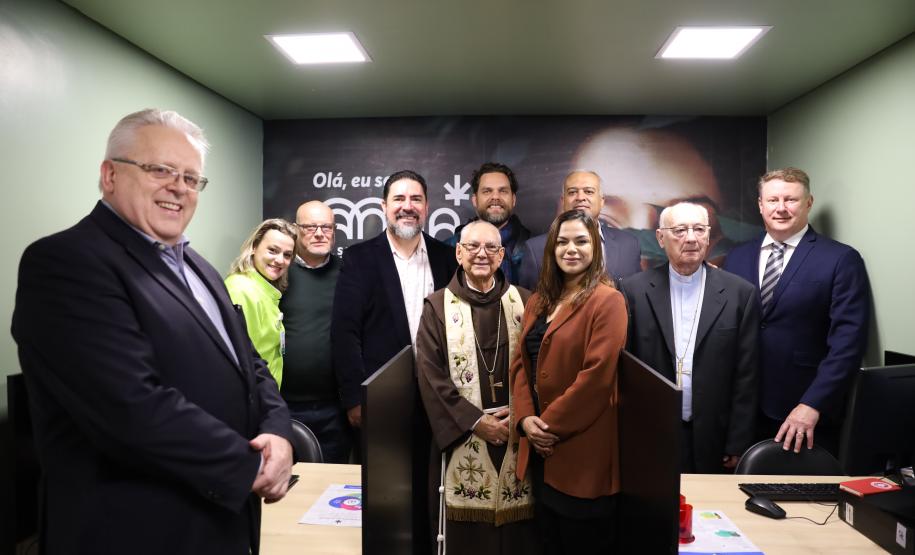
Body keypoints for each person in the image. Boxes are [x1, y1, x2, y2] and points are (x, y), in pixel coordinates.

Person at [11, 109, 293, 555]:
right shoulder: (66, 263)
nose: (178, 187)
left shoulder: (199, 268)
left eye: (191, 177)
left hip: (222, 523)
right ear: (110, 175)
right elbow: (130, 407)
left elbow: (250, 364)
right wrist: (252, 465)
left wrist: (278, 431)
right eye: (160, 169)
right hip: (135, 532)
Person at [331, 169, 458, 554]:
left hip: (437, 396)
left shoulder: (445, 257)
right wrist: (355, 399)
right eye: (399, 199)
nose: (407, 207)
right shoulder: (359, 258)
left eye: (415, 199)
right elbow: (345, 332)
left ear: (427, 207)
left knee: (430, 486)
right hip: (382, 400)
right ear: (384, 206)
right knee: (386, 494)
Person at [724, 167, 870, 455]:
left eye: (790, 199)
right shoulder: (737, 257)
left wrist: (812, 403)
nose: (781, 208)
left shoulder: (841, 259)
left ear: (809, 203)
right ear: (760, 205)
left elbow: (848, 344)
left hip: (802, 412)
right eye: (772, 200)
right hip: (742, 409)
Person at [416, 220, 538, 555]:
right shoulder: (437, 307)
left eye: (490, 248)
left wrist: (522, 414)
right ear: (459, 253)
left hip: (516, 431)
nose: (481, 254)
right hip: (462, 434)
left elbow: (540, 370)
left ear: (501, 255)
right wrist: (475, 421)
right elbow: (430, 376)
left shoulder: (525, 302)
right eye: (472, 246)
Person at [511, 210, 628, 554]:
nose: (571, 249)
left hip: (581, 451)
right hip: (539, 453)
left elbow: (597, 377)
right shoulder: (538, 301)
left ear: (595, 248)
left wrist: (545, 427)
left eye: (581, 241)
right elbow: (520, 365)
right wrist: (525, 419)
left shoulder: (608, 301)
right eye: (562, 242)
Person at [621, 202, 759, 473]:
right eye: (680, 230)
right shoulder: (633, 291)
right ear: (661, 238)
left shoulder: (740, 293)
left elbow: (747, 375)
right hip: (651, 432)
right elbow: (626, 371)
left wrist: (738, 442)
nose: (692, 238)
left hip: (714, 436)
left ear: (708, 236)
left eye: (699, 229)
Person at [279, 200, 351, 463]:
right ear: (296, 230)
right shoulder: (278, 272)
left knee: (332, 481)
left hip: (335, 408)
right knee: (287, 481)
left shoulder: (348, 272)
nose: (319, 233)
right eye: (310, 227)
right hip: (285, 405)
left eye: (326, 227)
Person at [518, 170, 640, 290]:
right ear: (563, 201)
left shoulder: (629, 244)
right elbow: (530, 299)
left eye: (588, 191)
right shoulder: (536, 249)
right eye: (572, 192)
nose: (580, 197)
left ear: (602, 201)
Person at [225, 218, 297, 387]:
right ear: (254, 247)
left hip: (267, 395)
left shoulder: (263, 290)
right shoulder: (240, 290)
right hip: (255, 397)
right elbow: (240, 360)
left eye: (287, 255)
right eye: (272, 251)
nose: (280, 260)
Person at [447, 162, 531, 285]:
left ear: (513, 199)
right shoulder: (449, 248)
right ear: (475, 200)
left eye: (503, 191)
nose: (495, 197)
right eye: (487, 191)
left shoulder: (534, 250)